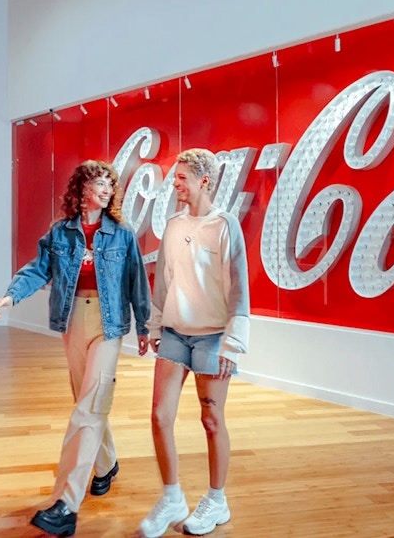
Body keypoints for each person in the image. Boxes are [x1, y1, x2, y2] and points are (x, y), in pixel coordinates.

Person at [0, 160, 151, 537]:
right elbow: (36, 269)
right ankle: (106, 464)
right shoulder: (61, 233)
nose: (108, 190)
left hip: (109, 324)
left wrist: (144, 327)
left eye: (112, 184)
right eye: (100, 183)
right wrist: (11, 297)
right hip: (72, 320)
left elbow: (137, 281)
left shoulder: (122, 234)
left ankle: (66, 503)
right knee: (87, 401)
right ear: (80, 189)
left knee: (90, 406)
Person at [138, 148, 250, 538]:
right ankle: (172, 497)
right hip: (173, 333)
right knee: (159, 416)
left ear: (204, 181)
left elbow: (238, 290)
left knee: (211, 419)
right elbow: (163, 282)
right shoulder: (171, 226)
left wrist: (232, 344)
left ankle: (217, 500)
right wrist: (154, 328)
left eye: (181, 177)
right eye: (174, 177)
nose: (175, 183)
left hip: (213, 337)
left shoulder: (225, 225)